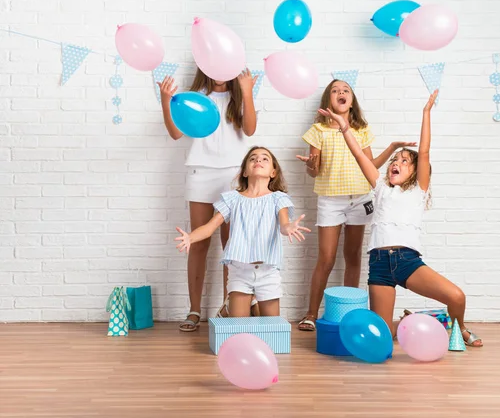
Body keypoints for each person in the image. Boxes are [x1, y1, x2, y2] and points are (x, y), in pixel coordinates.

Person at [318, 90, 483, 347]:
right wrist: (344, 128)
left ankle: (457, 327)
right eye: (395, 159)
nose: (396, 162)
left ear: (416, 172)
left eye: (405, 161)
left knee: (457, 297)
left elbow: (424, 152)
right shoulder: (380, 188)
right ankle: (425, 319)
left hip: (407, 262)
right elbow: (360, 155)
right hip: (380, 265)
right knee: (383, 334)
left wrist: (426, 113)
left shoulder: (419, 191)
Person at [297, 79, 415, 331]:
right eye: (335, 91)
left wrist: (392, 147)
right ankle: (310, 314)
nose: (340, 93)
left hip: (360, 199)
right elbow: (313, 171)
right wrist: (309, 164)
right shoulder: (318, 130)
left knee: (352, 257)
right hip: (330, 200)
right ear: (328, 100)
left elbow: (370, 166)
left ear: (352, 100)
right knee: (326, 258)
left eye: (345, 90)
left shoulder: (361, 129)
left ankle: (348, 314)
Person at [158, 68, 259, 331]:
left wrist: (247, 91)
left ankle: (229, 306)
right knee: (199, 242)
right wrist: (165, 100)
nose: (219, 72)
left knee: (231, 244)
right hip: (200, 173)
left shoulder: (239, 97)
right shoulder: (195, 96)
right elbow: (176, 133)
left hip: (233, 176)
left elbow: (249, 129)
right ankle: (194, 310)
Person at [175, 147, 310, 316]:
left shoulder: (278, 198)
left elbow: (284, 225)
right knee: (238, 329)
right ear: (245, 172)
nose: (258, 161)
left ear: (273, 172)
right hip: (239, 272)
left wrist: (288, 227)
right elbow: (209, 228)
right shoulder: (232, 199)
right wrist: (190, 237)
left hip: (267, 272)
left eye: (264, 159)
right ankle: (228, 310)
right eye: (252, 159)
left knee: (271, 327)